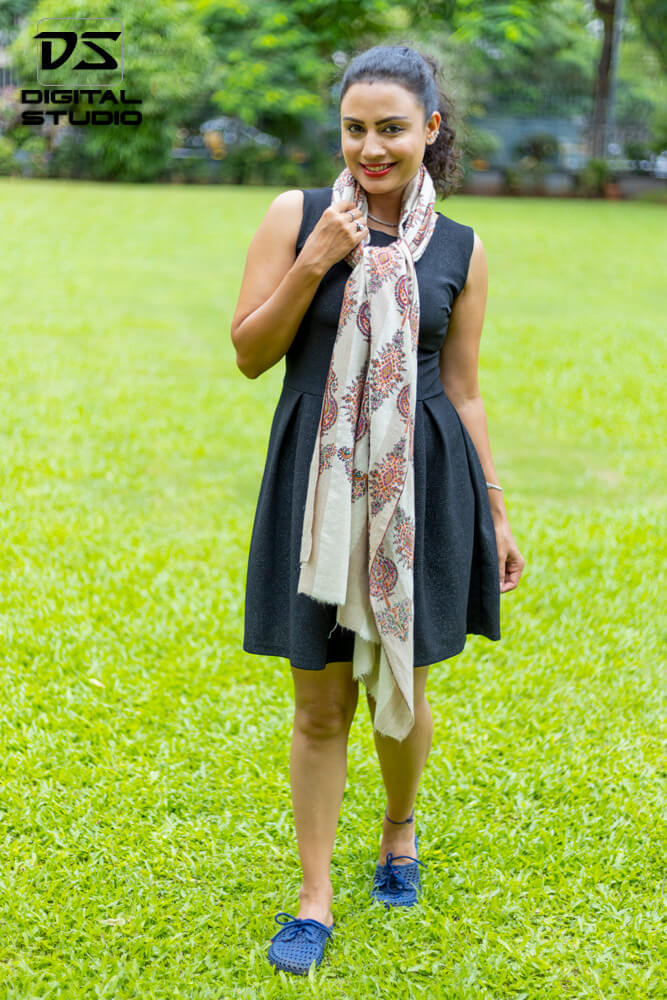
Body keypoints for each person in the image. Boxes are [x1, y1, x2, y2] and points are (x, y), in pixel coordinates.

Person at [231, 42, 525, 976]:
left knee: (400, 687)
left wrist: (496, 509)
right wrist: (316, 260)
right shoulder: (299, 217)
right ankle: (314, 899)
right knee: (318, 703)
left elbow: (465, 390)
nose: (370, 148)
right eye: (354, 129)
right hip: (316, 482)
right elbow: (248, 352)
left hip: (421, 483)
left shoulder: (462, 248)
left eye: (390, 129)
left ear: (429, 130)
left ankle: (399, 832)